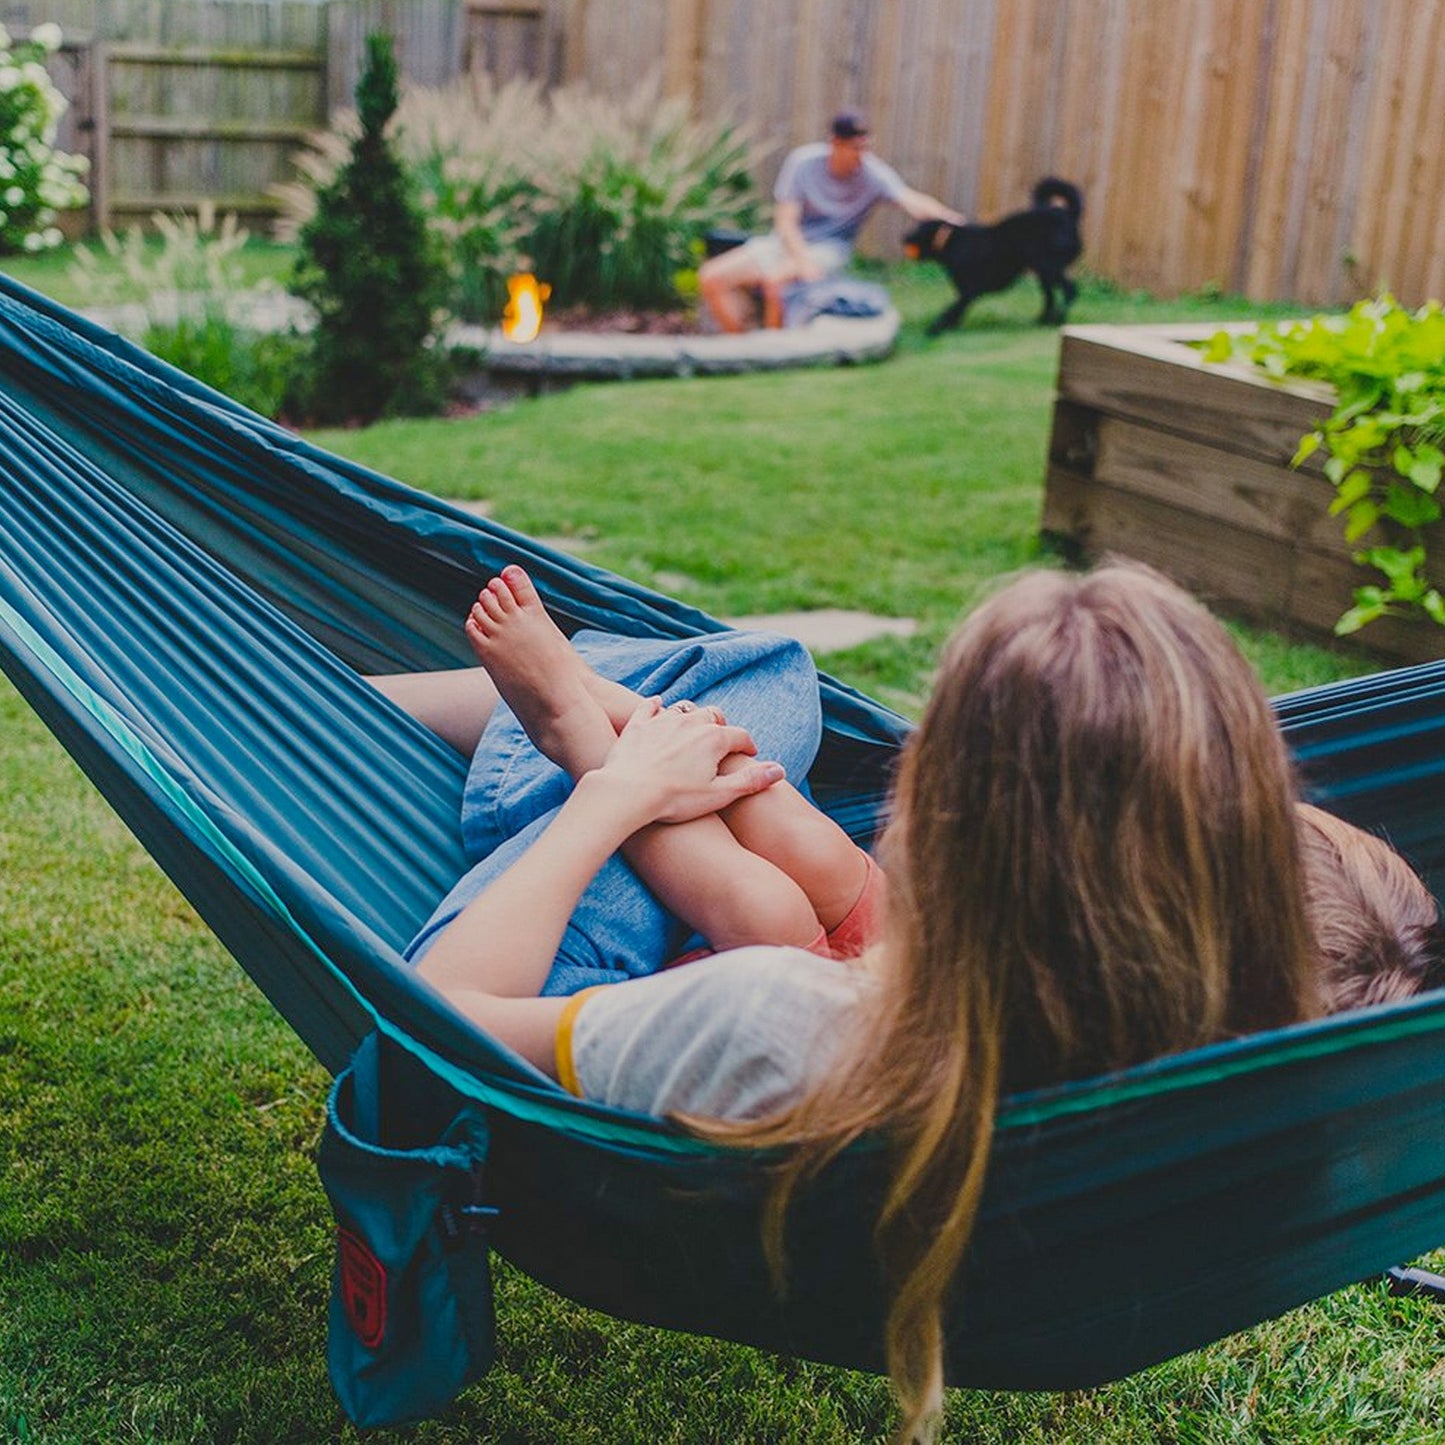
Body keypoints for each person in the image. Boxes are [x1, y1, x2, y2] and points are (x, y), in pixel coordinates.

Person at [385, 560, 1330, 1443]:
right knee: (773, 679)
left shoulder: (765, 1016)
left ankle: (554, 729)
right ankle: (616, 714)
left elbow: (437, 1019)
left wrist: (612, 798)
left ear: (943, 824)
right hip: (908, 1000)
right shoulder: (1206, 1049)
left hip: (589, 990)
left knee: (744, 698)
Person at [698, 109, 966, 332]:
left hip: (830, 249)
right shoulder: (803, 163)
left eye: (866, 147)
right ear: (834, 144)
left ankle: (775, 356)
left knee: (774, 283)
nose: (861, 155)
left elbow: (911, 200)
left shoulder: (873, 173)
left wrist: (953, 220)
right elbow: (785, 222)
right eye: (855, 148)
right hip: (787, 243)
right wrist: (800, 259)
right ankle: (741, 347)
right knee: (711, 277)